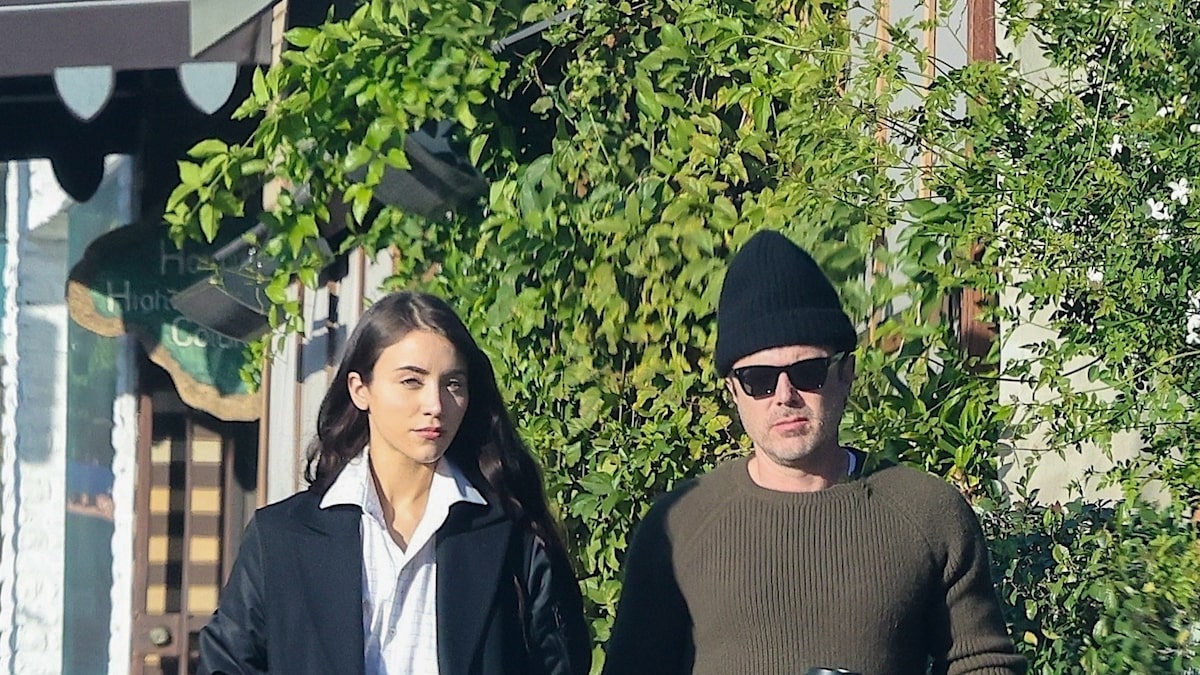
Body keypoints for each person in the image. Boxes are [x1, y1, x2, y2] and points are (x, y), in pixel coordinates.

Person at [602, 230, 1025, 675]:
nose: (784, 395)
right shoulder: (679, 526)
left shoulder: (927, 512)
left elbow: (983, 662)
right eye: (759, 380)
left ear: (846, 373)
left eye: (808, 372)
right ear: (733, 391)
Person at [199, 291, 591, 675]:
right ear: (360, 389)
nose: (435, 405)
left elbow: (562, 662)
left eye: (453, 383)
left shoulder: (512, 535)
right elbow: (227, 664)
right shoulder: (282, 538)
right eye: (411, 381)